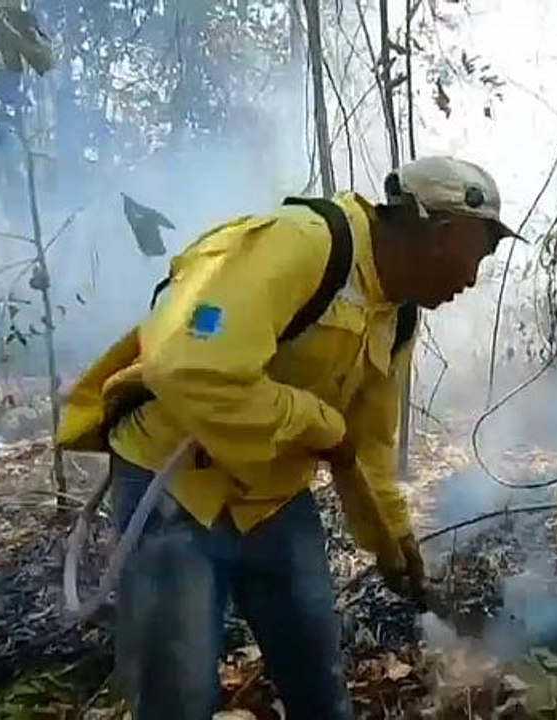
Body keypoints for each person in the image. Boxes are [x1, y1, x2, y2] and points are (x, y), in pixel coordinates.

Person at [55, 156, 517, 720]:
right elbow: (185, 365)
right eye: (479, 256)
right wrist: (318, 424)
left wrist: (393, 543)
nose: (472, 280)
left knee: (318, 686)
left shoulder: (395, 316)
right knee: (178, 698)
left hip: (271, 498)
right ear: (443, 234)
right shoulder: (302, 245)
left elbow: (368, 444)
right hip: (176, 489)